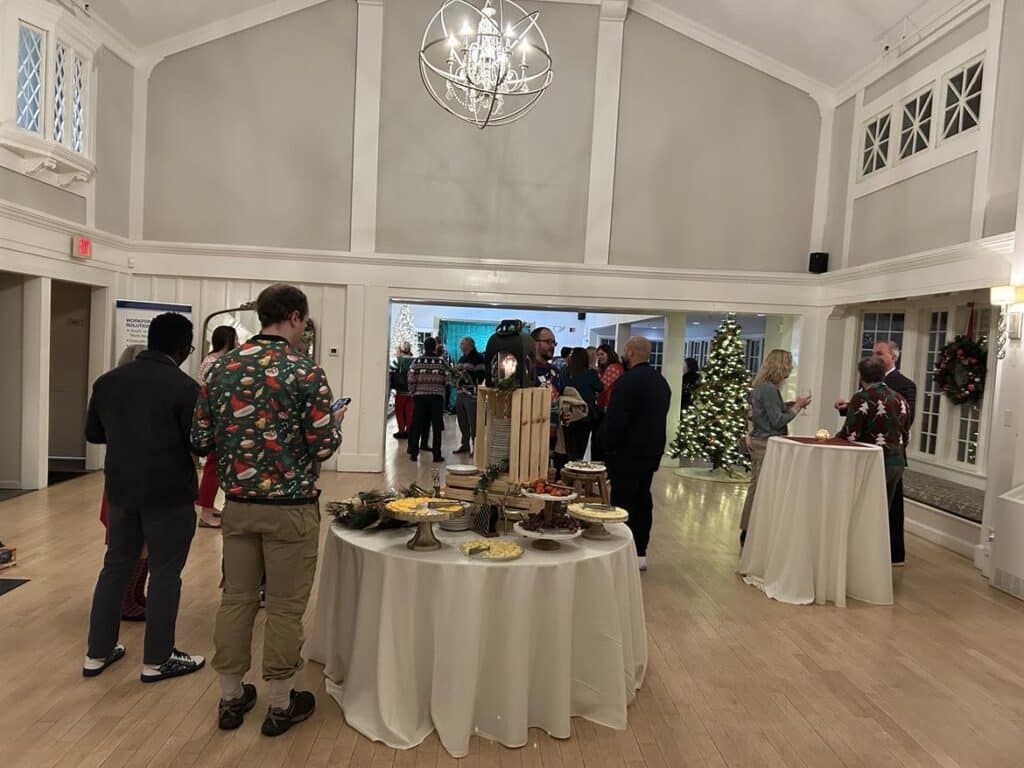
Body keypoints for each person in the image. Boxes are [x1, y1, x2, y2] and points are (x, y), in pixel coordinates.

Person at [192, 284, 344, 736]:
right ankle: (281, 702)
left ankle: (230, 696)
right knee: (284, 606)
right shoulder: (305, 371)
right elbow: (323, 446)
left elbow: (200, 439)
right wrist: (334, 424)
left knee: (236, 600)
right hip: (291, 508)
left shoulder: (221, 368)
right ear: (295, 317)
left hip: (238, 506)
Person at [83, 313, 205, 683]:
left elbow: (94, 434)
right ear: (183, 348)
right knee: (166, 573)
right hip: (170, 494)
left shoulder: (107, 382)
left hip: (121, 490)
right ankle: (158, 659)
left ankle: (97, 653)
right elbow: (199, 443)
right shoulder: (185, 387)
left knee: (115, 568)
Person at [835, 339, 916, 566]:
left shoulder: (900, 386)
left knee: (868, 511)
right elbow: (904, 427)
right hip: (895, 459)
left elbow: (851, 433)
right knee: (882, 511)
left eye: (879, 353)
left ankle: (867, 558)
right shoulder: (898, 398)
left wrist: (832, 441)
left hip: (872, 460)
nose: (876, 355)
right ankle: (875, 561)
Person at [598, 337, 671, 571]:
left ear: (630, 352)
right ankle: (640, 551)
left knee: (622, 501)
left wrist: (606, 445)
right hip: (651, 452)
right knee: (643, 499)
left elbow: (616, 420)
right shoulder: (661, 382)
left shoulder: (627, 381)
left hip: (626, 452)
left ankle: (621, 551)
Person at [97, 344, 148, 622]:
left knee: (139, 543)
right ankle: (126, 599)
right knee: (133, 544)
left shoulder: (111, 393)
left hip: (120, 475)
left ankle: (135, 594)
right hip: (134, 477)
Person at [739, 350, 811, 546]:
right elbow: (777, 420)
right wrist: (797, 407)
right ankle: (749, 529)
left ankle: (750, 529)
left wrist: (788, 405)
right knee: (759, 487)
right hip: (766, 443)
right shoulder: (769, 389)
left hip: (759, 441)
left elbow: (766, 412)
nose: (791, 368)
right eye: (789, 364)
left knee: (757, 485)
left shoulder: (761, 387)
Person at [195, 326, 239, 529]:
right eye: (235, 339)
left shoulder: (214, 360)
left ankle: (209, 506)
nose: (238, 343)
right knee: (213, 466)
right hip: (215, 421)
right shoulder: (214, 363)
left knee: (215, 466)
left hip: (216, 419)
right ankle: (205, 512)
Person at [407, 337, 448, 463]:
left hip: (420, 397)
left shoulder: (416, 361)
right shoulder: (442, 362)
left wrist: (412, 392)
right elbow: (447, 379)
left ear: (424, 347)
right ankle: (436, 455)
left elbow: (411, 379)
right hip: (437, 397)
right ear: (435, 347)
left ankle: (414, 453)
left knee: (417, 424)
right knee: (436, 427)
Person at [559, 348, 604, 461]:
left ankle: (568, 465)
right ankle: (576, 465)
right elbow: (600, 387)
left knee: (568, 447)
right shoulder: (590, 373)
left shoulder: (564, 372)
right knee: (580, 448)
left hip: (568, 412)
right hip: (584, 413)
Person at [453, 337, 486, 455]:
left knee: (473, 421)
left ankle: (476, 446)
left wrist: (470, 372)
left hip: (472, 394)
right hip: (460, 393)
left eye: (463, 343)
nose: (460, 346)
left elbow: (482, 375)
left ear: (470, 345)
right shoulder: (461, 358)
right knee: (462, 420)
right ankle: (465, 444)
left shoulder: (479, 358)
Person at [592, 344, 624, 462]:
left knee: (599, 440)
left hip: (607, 407)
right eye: (598, 355)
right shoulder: (612, 367)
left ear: (609, 354)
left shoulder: (613, 368)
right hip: (607, 406)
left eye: (602, 354)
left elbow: (602, 387)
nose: (599, 357)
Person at [390, 342, 414, 439]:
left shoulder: (398, 360)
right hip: (411, 391)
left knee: (399, 411)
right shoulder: (414, 360)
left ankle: (401, 430)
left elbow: (391, 371)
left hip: (400, 391)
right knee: (409, 411)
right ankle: (409, 430)